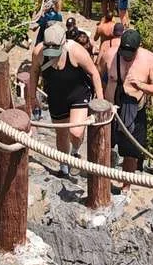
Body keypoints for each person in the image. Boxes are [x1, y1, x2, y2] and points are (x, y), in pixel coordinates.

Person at [26, 22, 103, 178]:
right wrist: (32, 97)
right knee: (61, 133)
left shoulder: (76, 51)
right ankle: (63, 165)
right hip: (56, 95)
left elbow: (94, 72)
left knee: (75, 131)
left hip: (78, 93)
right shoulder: (38, 52)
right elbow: (34, 72)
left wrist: (100, 99)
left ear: (63, 43)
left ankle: (75, 152)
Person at [109, 27, 153, 175]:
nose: (126, 57)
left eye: (130, 53)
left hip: (134, 111)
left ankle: (126, 185)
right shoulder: (110, 54)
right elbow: (97, 73)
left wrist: (140, 86)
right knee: (104, 144)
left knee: (131, 152)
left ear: (138, 47)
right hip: (110, 109)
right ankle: (103, 178)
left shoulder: (150, 60)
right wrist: (100, 99)